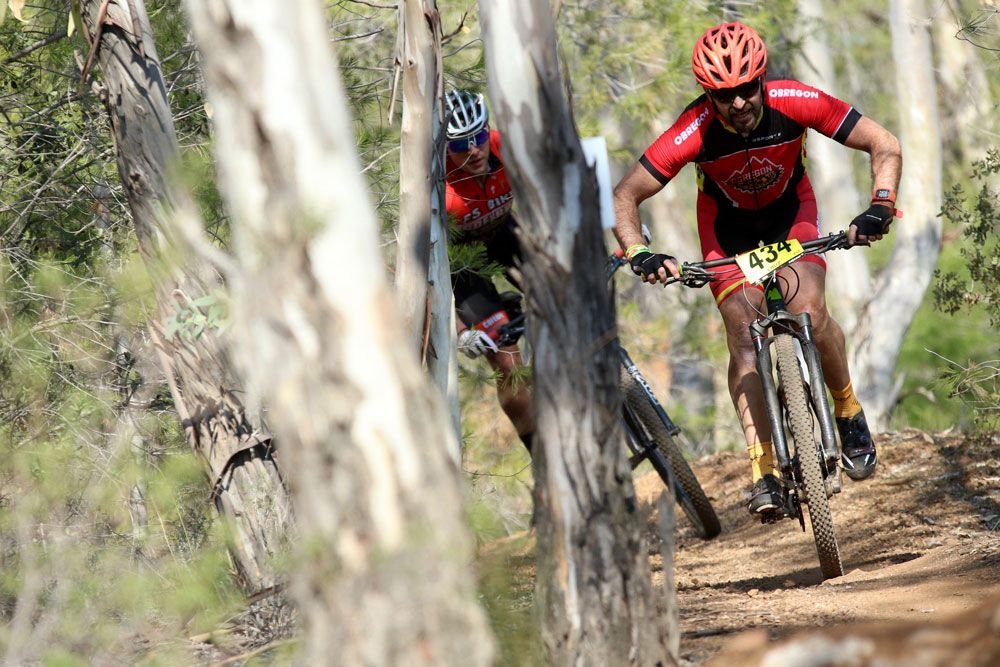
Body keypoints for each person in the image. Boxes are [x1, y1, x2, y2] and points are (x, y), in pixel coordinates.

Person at [612, 22, 902, 514]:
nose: (740, 103)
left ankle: (848, 410)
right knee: (743, 338)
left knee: (809, 307)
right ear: (709, 94)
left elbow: (884, 142)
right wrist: (641, 252)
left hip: (792, 213)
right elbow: (626, 195)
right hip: (726, 231)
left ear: (761, 80)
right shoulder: (695, 129)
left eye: (747, 89)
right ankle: (763, 466)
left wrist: (880, 204)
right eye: (725, 95)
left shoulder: (794, 100)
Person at [444, 89, 535, 453]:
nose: (474, 150)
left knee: (564, 286)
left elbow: (569, 182)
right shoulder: (437, 186)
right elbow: (424, 271)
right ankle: (540, 452)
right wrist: (461, 331)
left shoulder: (506, 148)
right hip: (462, 264)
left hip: (502, 234)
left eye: (479, 136)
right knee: (508, 363)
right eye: (462, 144)